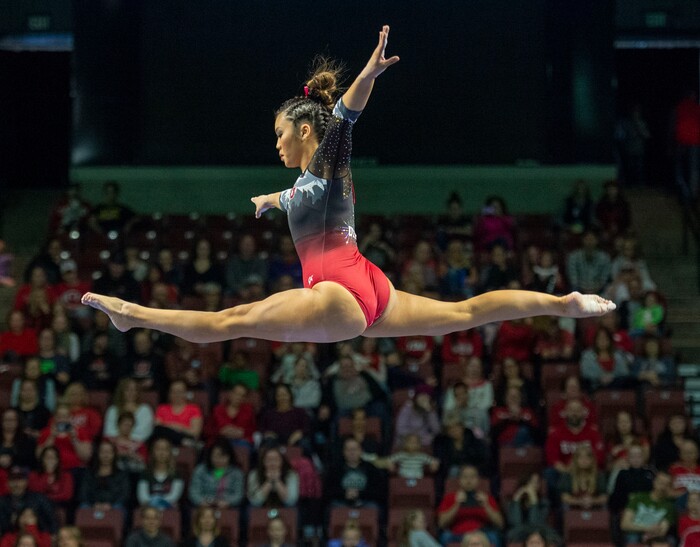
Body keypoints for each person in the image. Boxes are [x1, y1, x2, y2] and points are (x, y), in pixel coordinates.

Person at [81, 26, 616, 349]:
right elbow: (302, 196)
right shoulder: (311, 182)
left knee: (231, 321)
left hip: (338, 293)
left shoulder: (329, 158)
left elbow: (347, 115)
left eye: (280, 135)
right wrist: (273, 197)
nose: (277, 145)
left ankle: (132, 316)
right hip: (367, 286)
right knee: (463, 314)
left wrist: (369, 72)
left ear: (304, 130)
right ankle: (563, 304)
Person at [437, 464, 504, 546]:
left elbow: (500, 524)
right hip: (458, 534)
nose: (469, 480)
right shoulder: (450, 497)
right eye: (465, 477)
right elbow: (441, 523)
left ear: (478, 480)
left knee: (494, 536)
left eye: (472, 477)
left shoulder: (486, 498)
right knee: (445, 536)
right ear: (459, 480)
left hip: (482, 534)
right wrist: (456, 504)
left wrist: (486, 505)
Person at [620, 470, 676, 546]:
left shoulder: (669, 505)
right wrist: (647, 528)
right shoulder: (639, 498)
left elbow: (662, 531)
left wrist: (649, 536)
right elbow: (625, 524)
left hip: (655, 536)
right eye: (661, 482)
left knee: (669, 541)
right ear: (654, 482)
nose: (662, 487)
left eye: (666, 484)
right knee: (633, 537)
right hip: (635, 533)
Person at [188, 439, 245, 508]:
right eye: (215, 456)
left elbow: (238, 494)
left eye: (222, 456)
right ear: (210, 456)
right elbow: (194, 491)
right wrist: (201, 501)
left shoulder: (236, 473)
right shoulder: (200, 470)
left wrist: (228, 502)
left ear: (229, 457)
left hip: (227, 507)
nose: (219, 460)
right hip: (203, 506)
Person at [77, 439, 130, 513]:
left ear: (114, 454)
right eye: (103, 452)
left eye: (109, 452)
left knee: (119, 508)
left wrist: (110, 505)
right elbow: (83, 493)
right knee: (83, 507)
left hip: (113, 505)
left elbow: (124, 495)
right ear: (98, 454)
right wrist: (94, 504)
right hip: (92, 505)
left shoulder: (121, 474)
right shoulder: (89, 473)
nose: (106, 455)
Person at [0, 466, 56, 535]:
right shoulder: (2, 502)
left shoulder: (39, 499)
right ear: (7, 483)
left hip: (39, 539)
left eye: (19, 480)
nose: (16, 484)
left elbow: (52, 522)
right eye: (12, 480)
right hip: (10, 540)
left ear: (26, 482)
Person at [136, 437, 184, 509]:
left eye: (165, 449)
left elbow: (174, 496)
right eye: (158, 449)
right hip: (149, 511)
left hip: (169, 510)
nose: (162, 452)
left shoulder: (177, 474)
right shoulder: (145, 473)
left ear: (170, 452)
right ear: (152, 452)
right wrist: (154, 503)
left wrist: (159, 502)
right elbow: (143, 497)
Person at [152, 379, 203, 446]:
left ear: (186, 393)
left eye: (180, 391)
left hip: (186, 437)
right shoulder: (162, 408)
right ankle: (182, 441)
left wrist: (178, 427)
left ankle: (183, 441)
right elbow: (158, 428)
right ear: (169, 393)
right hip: (166, 441)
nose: (177, 394)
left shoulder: (194, 409)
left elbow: (195, 432)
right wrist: (177, 428)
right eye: (174, 391)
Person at [103, 378, 155, 442]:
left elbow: (145, 432)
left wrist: (128, 441)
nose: (131, 392)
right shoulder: (113, 410)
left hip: (137, 445)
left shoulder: (145, 410)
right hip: (115, 445)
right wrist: (121, 441)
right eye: (127, 389)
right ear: (122, 391)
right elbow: (109, 431)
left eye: (134, 390)